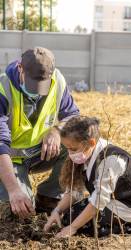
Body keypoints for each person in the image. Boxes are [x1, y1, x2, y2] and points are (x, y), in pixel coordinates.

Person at [0, 47, 79, 218]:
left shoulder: (57, 81)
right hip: (9, 159)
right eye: (32, 84)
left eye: (41, 85)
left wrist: (56, 131)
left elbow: (73, 117)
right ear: (20, 68)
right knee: (20, 211)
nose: (36, 90)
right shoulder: (3, 89)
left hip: (39, 153)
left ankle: (49, 196)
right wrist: (14, 190)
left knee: (78, 142)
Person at [44, 116, 131, 238]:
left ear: (91, 142)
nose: (70, 154)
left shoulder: (110, 160)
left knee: (82, 227)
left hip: (128, 205)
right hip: (110, 200)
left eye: (73, 148)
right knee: (68, 216)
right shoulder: (85, 154)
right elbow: (75, 190)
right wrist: (57, 211)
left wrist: (73, 228)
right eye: (67, 148)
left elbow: (99, 200)